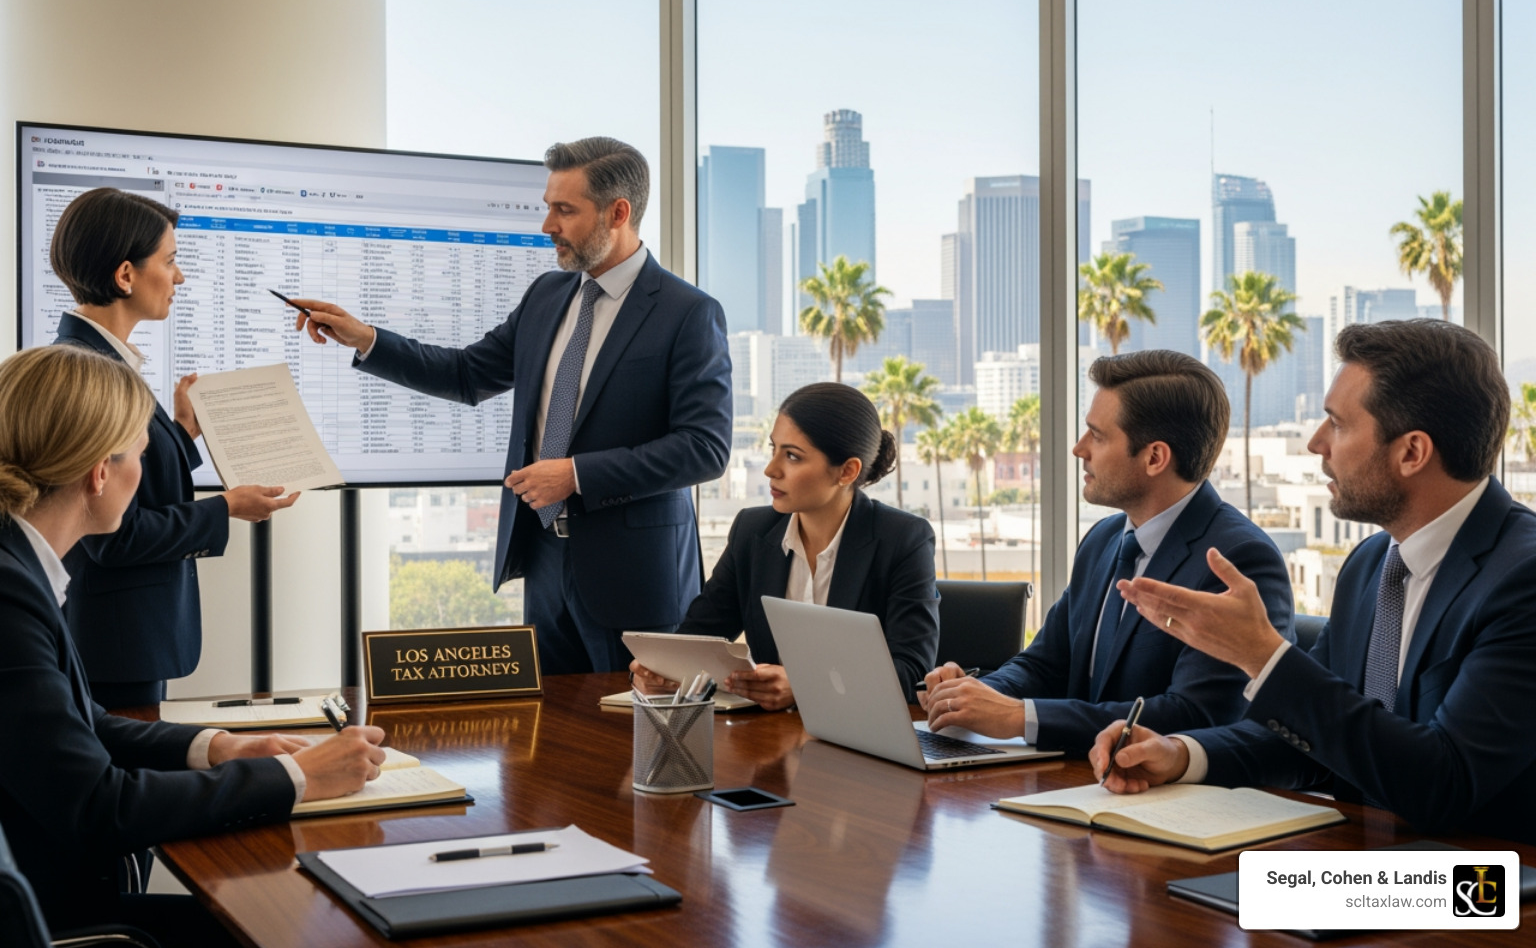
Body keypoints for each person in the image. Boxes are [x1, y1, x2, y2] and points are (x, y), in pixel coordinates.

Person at [292, 137, 732, 675]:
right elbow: (466, 374)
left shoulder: (688, 313)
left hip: (636, 577)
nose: (548, 225)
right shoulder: (547, 295)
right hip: (544, 562)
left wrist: (576, 475)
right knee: (552, 723)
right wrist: (367, 338)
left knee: (635, 725)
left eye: (564, 210)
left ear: (618, 213)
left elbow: (705, 448)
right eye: (548, 207)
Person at [1092, 320, 1536, 844]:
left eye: (1338, 425)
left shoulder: (1523, 578)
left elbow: (1445, 783)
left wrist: (1264, 657)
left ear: (1412, 453)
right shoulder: (1370, 564)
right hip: (1358, 863)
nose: (1315, 442)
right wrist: (1183, 754)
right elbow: (1312, 741)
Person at [0, 344, 386, 947]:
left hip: (53, 893)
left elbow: (85, 724)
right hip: (59, 920)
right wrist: (295, 775)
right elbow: (101, 807)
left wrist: (220, 746)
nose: (143, 474)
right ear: (99, 473)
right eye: (142, 456)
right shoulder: (10, 593)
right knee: (302, 928)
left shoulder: (20, 567)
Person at [921, 350, 1294, 752]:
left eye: (1097, 436)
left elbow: (1195, 716)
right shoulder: (1103, 538)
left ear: (1154, 457)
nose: (1079, 449)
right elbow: (1046, 664)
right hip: (1079, 776)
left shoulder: (1237, 561)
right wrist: (969, 696)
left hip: (1161, 789)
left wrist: (1018, 717)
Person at [49, 186, 300, 708]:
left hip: (123, 636)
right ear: (126, 275)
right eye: (169, 261)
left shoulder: (101, 360)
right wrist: (226, 508)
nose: (179, 277)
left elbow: (128, 486)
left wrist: (182, 432)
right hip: (115, 644)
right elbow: (112, 535)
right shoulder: (90, 373)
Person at [630, 383, 940, 709]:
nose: (771, 469)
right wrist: (659, 672)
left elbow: (913, 674)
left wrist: (807, 686)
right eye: (773, 449)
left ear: (847, 471)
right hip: (768, 732)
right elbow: (696, 638)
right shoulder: (752, 531)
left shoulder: (904, 539)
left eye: (792, 456)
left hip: (861, 734)